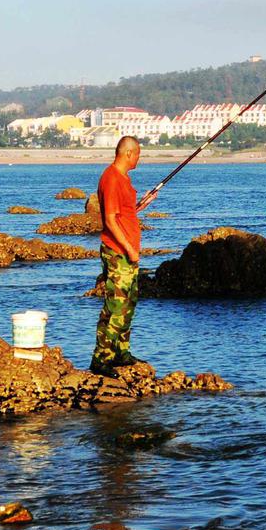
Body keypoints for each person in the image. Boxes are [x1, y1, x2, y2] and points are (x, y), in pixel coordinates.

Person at [92, 135, 158, 376]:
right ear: (128, 153)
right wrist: (129, 249)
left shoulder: (123, 180)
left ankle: (121, 352)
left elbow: (123, 214)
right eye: (138, 154)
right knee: (116, 304)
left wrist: (143, 204)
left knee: (129, 302)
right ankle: (101, 358)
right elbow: (110, 220)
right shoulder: (111, 178)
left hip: (128, 252)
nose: (139, 159)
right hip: (118, 251)